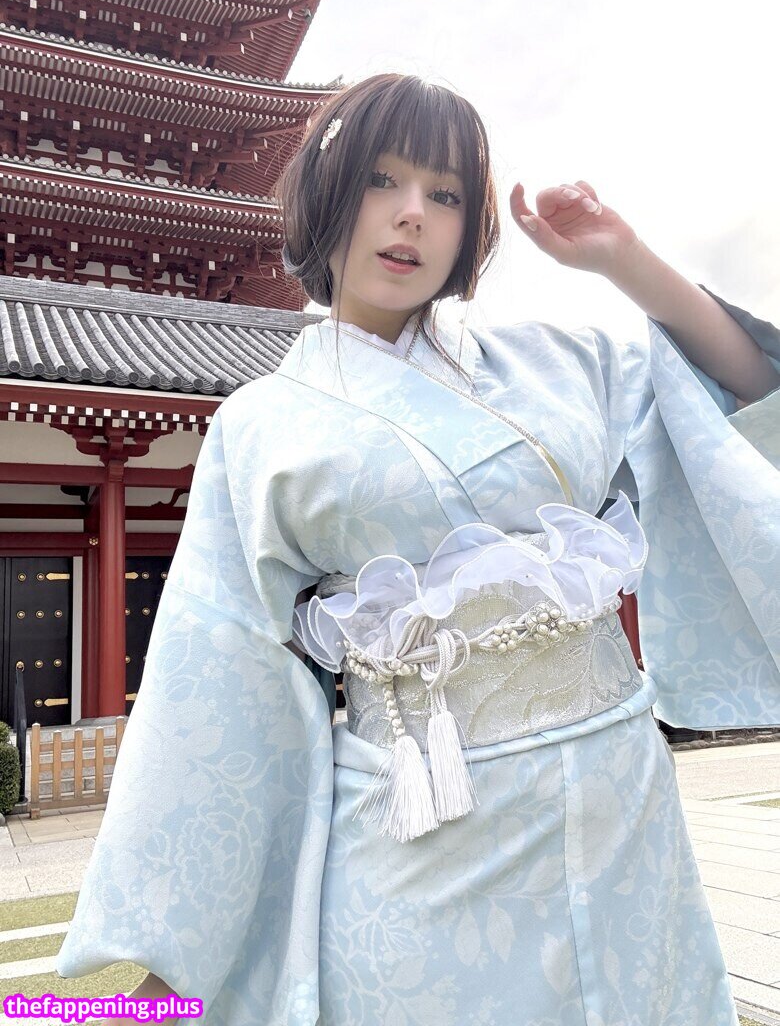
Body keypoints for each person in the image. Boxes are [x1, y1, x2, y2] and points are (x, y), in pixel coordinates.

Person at [55, 73, 779, 1025]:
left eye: (445, 194)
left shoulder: (559, 362)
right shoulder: (260, 422)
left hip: (620, 807)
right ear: (328, 191)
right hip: (423, 823)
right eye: (382, 180)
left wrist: (620, 256)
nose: (412, 215)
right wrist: (179, 953)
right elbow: (221, 671)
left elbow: (742, 388)